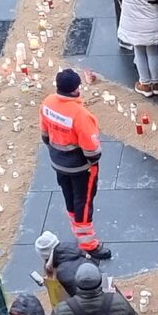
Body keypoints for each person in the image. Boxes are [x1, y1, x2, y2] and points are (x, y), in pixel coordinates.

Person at [40, 68, 111, 259]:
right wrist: (92, 163)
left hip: (58, 162)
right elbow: (91, 149)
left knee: (69, 196)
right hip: (80, 167)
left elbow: (45, 135)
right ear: (75, 89)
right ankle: (88, 243)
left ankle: (75, 227)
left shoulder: (47, 103)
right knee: (84, 201)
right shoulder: (80, 114)